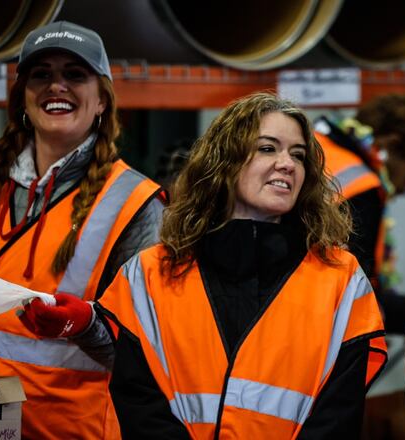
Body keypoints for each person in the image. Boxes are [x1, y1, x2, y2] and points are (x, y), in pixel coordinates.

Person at [98, 92, 388, 438]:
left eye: (298, 154)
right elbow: (138, 402)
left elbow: (338, 416)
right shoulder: (150, 274)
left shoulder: (342, 280)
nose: (287, 164)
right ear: (225, 162)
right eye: (268, 148)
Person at [0, 21, 165, 439]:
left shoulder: (136, 202)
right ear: (22, 96)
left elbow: (147, 355)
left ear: (102, 101)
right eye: (41, 74)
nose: (56, 86)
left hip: (72, 428)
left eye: (75, 75)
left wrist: (80, 326)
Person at [314, 94, 405, 334]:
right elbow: (357, 297)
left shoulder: (315, 145)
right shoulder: (362, 189)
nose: (402, 189)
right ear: (391, 145)